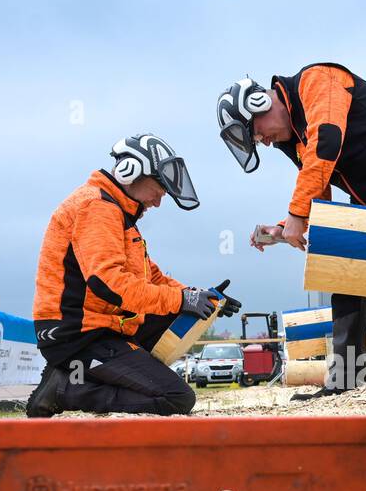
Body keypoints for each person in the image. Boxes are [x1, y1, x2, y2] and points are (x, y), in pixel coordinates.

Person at [216, 64, 366, 396]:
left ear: (259, 102)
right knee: (345, 277)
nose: (264, 142)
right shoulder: (296, 138)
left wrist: (297, 214)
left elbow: (327, 143)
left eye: (257, 133)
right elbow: (320, 188)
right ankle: (345, 383)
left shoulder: (318, 80)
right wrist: (286, 226)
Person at [26, 134, 240, 418]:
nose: (159, 202)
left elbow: (153, 278)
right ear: (131, 171)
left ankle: (83, 377)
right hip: (79, 335)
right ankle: (66, 388)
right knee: (176, 398)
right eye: (159, 190)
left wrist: (202, 298)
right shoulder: (97, 208)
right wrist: (181, 299)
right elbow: (108, 284)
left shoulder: (119, 214)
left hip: (102, 327)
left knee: (180, 312)